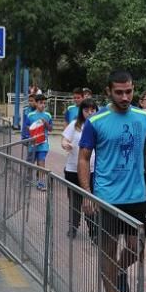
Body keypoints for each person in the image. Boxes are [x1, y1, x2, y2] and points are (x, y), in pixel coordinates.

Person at [78, 71, 146, 292]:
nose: (125, 97)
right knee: (108, 251)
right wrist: (87, 194)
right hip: (106, 198)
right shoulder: (96, 121)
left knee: (137, 248)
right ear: (108, 91)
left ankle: (121, 270)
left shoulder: (144, 118)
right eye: (119, 92)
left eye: (129, 91)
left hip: (137, 197)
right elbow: (83, 158)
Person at [61, 97, 98, 238]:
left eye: (92, 110)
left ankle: (93, 230)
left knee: (89, 202)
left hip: (92, 170)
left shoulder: (98, 125)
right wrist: (66, 144)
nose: (89, 112)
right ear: (81, 111)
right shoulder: (74, 125)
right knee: (74, 201)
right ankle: (73, 227)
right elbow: (64, 139)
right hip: (72, 169)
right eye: (86, 109)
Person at [25, 94, 53, 190]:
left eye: (44, 103)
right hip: (33, 143)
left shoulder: (48, 115)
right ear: (36, 103)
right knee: (30, 162)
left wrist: (45, 124)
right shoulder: (30, 115)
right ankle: (28, 179)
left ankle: (41, 183)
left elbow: (50, 129)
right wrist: (34, 128)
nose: (43, 105)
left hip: (43, 144)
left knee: (41, 162)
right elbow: (27, 126)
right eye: (41, 103)